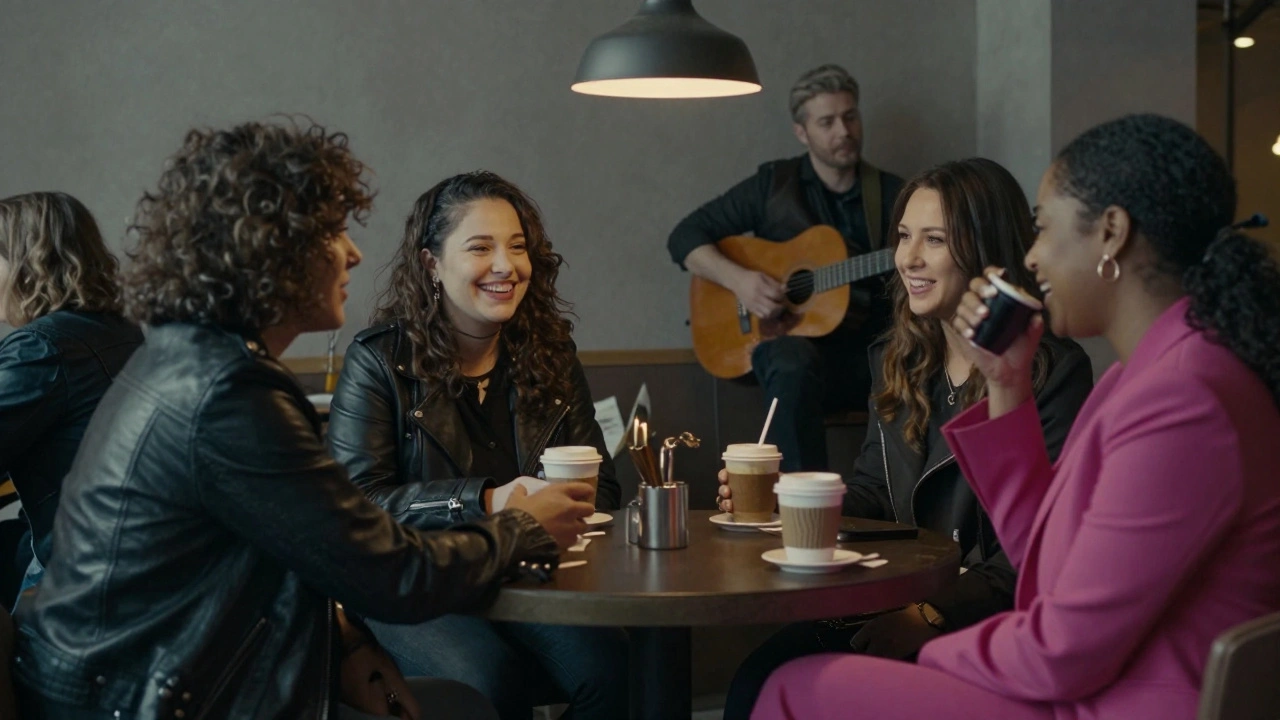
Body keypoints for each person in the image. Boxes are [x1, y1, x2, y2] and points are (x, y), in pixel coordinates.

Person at [11, 121, 596, 720]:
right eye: (332, 232)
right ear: (272, 249)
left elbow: (308, 554)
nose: (354, 252)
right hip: (135, 699)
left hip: (130, 680)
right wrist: (520, 526)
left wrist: (349, 645)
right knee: (467, 704)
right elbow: (391, 574)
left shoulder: (193, 358)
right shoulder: (229, 395)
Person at [751, 114, 1280, 720]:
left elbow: (1061, 652)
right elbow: (1044, 560)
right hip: (1095, 680)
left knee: (795, 688)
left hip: (1111, 700)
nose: (1031, 255)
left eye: (1043, 228)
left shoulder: (1181, 403)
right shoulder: (1142, 379)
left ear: (1111, 233)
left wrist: (929, 649)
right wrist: (1005, 384)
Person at [715, 158, 1093, 718]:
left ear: (986, 249)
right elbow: (874, 488)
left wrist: (929, 615)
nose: (908, 258)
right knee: (752, 681)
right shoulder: (898, 358)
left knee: (779, 687)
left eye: (934, 239)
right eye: (903, 237)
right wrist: (794, 502)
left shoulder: (1051, 371)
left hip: (981, 620)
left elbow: (1037, 550)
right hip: (891, 599)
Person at [327, 170, 627, 720]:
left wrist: (569, 508)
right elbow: (357, 504)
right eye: (480, 247)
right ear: (431, 264)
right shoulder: (378, 360)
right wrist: (487, 500)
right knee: (487, 683)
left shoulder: (550, 353)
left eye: (517, 247)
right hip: (418, 581)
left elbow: (604, 486)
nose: (505, 266)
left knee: (617, 668)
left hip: (527, 574)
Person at [668, 63, 905, 471]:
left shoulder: (891, 195)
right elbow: (684, 237)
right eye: (827, 121)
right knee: (792, 361)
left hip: (866, 357)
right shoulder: (772, 185)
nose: (843, 131)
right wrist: (741, 281)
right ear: (802, 132)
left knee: (911, 361)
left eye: (850, 117)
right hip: (791, 356)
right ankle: (799, 502)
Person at [0, 192, 143, 602]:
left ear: (28, 264)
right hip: (118, 554)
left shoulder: (42, 348)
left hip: (72, 572)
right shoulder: (117, 328)